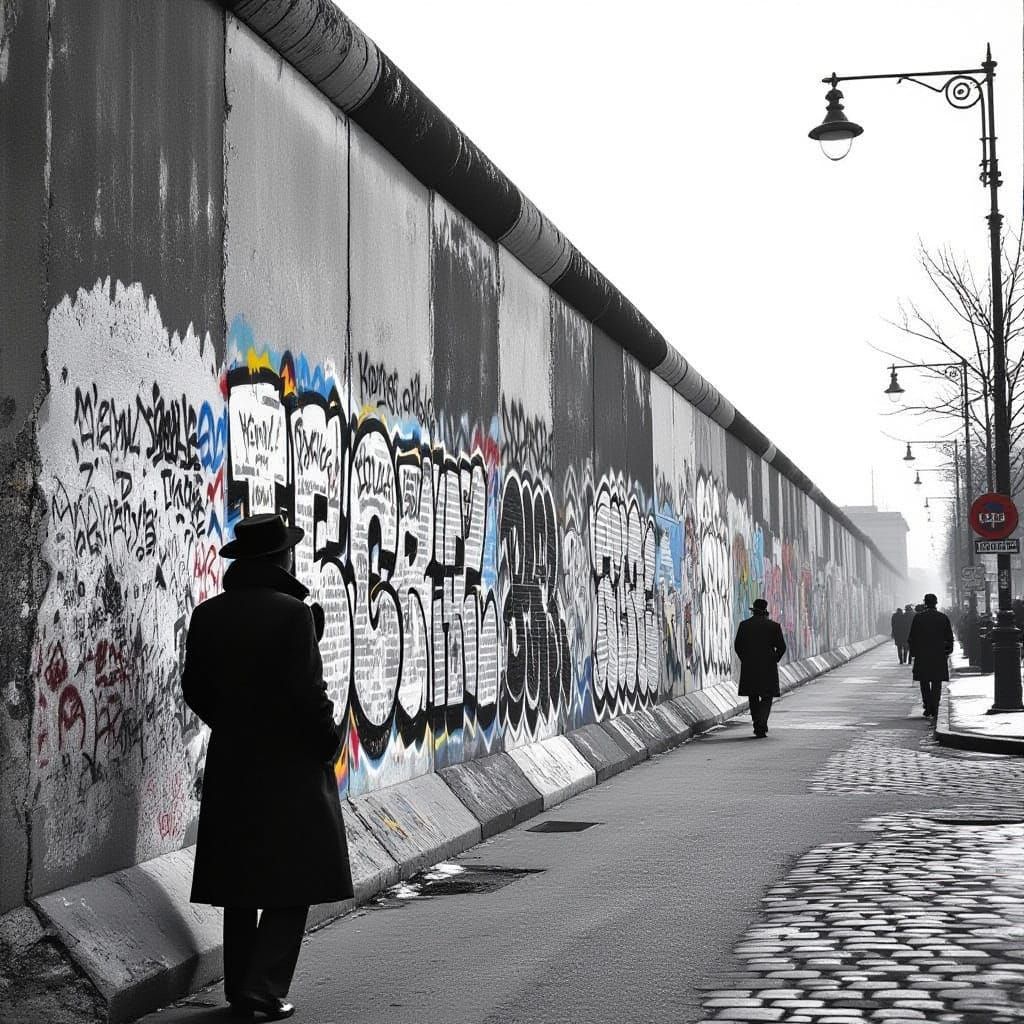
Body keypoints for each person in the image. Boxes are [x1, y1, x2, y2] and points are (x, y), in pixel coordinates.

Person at [182, 513, 352, 1021]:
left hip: (233, 760)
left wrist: (230, 723)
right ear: (280, 560)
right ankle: (264, 985)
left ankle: (240, 987)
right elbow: (308, 693)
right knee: (298, 876)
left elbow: (194, 688)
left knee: (240, 878)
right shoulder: (293, 615)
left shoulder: (207, 615)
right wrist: (328, 742)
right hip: (290, 766)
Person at [734, 598, 787, 737]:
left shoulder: (744, 625)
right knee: (767, 696)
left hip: (749, 666)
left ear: (753, 610)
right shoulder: (774, 626)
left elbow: (738, 646)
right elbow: (782, 647)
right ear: (765, 611)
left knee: (753, 695)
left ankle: (757, 721)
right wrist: (774, 659)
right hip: (768, 667)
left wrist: (745, 659)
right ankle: (761, 722)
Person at [907, 592, 955, 721]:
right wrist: (947, 651)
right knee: (936, 681)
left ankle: (927, 705)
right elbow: (949, 637)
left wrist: (914, 653)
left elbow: (912, 637)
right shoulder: (943, 617)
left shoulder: (918, 618)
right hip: (938, 654)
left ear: (925, 603)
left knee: (924, 681)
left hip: (923, 654)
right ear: (936, 603)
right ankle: (935, 705)